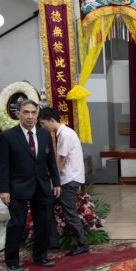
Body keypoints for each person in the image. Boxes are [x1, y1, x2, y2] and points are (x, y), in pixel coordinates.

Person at [0, 99, 61, 271]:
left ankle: (41, 256)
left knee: (43, 223)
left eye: (33, 112)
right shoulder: (8, 136)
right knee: (17, 224)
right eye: (26, 112)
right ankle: (12, 260)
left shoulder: (44, 134)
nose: (30, 116)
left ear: (38, 113)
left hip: (41, 186)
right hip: (17, 187)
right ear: (18, 113)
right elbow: (3, 166)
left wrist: (56, 182)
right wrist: (4, 190)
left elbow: (51, 161)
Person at [39, 108, 89, 256]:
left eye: (43, 124)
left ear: (51, 120)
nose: (43, 127)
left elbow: (61, 160)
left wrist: (52, 179)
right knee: (48, 205)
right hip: (70, 178)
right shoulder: (64, 133)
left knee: (70, 214)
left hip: (69, 179)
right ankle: (53, 241)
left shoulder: (65, 134)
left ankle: (82, 244)